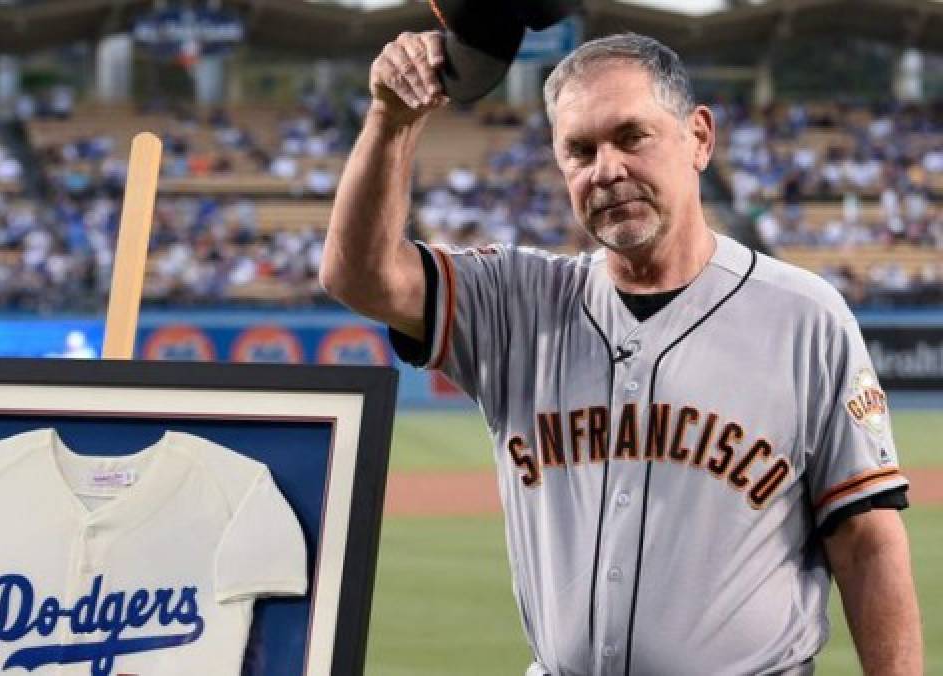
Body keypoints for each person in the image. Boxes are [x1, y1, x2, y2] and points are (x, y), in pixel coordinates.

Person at [321, 30, 922, 676]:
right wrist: (393, 118)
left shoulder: (805, 316)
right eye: (579, 150)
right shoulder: (517, 302)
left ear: (699, 138)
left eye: (631, 136)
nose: (605, 169)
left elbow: (865, 544)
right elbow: (361, 275)